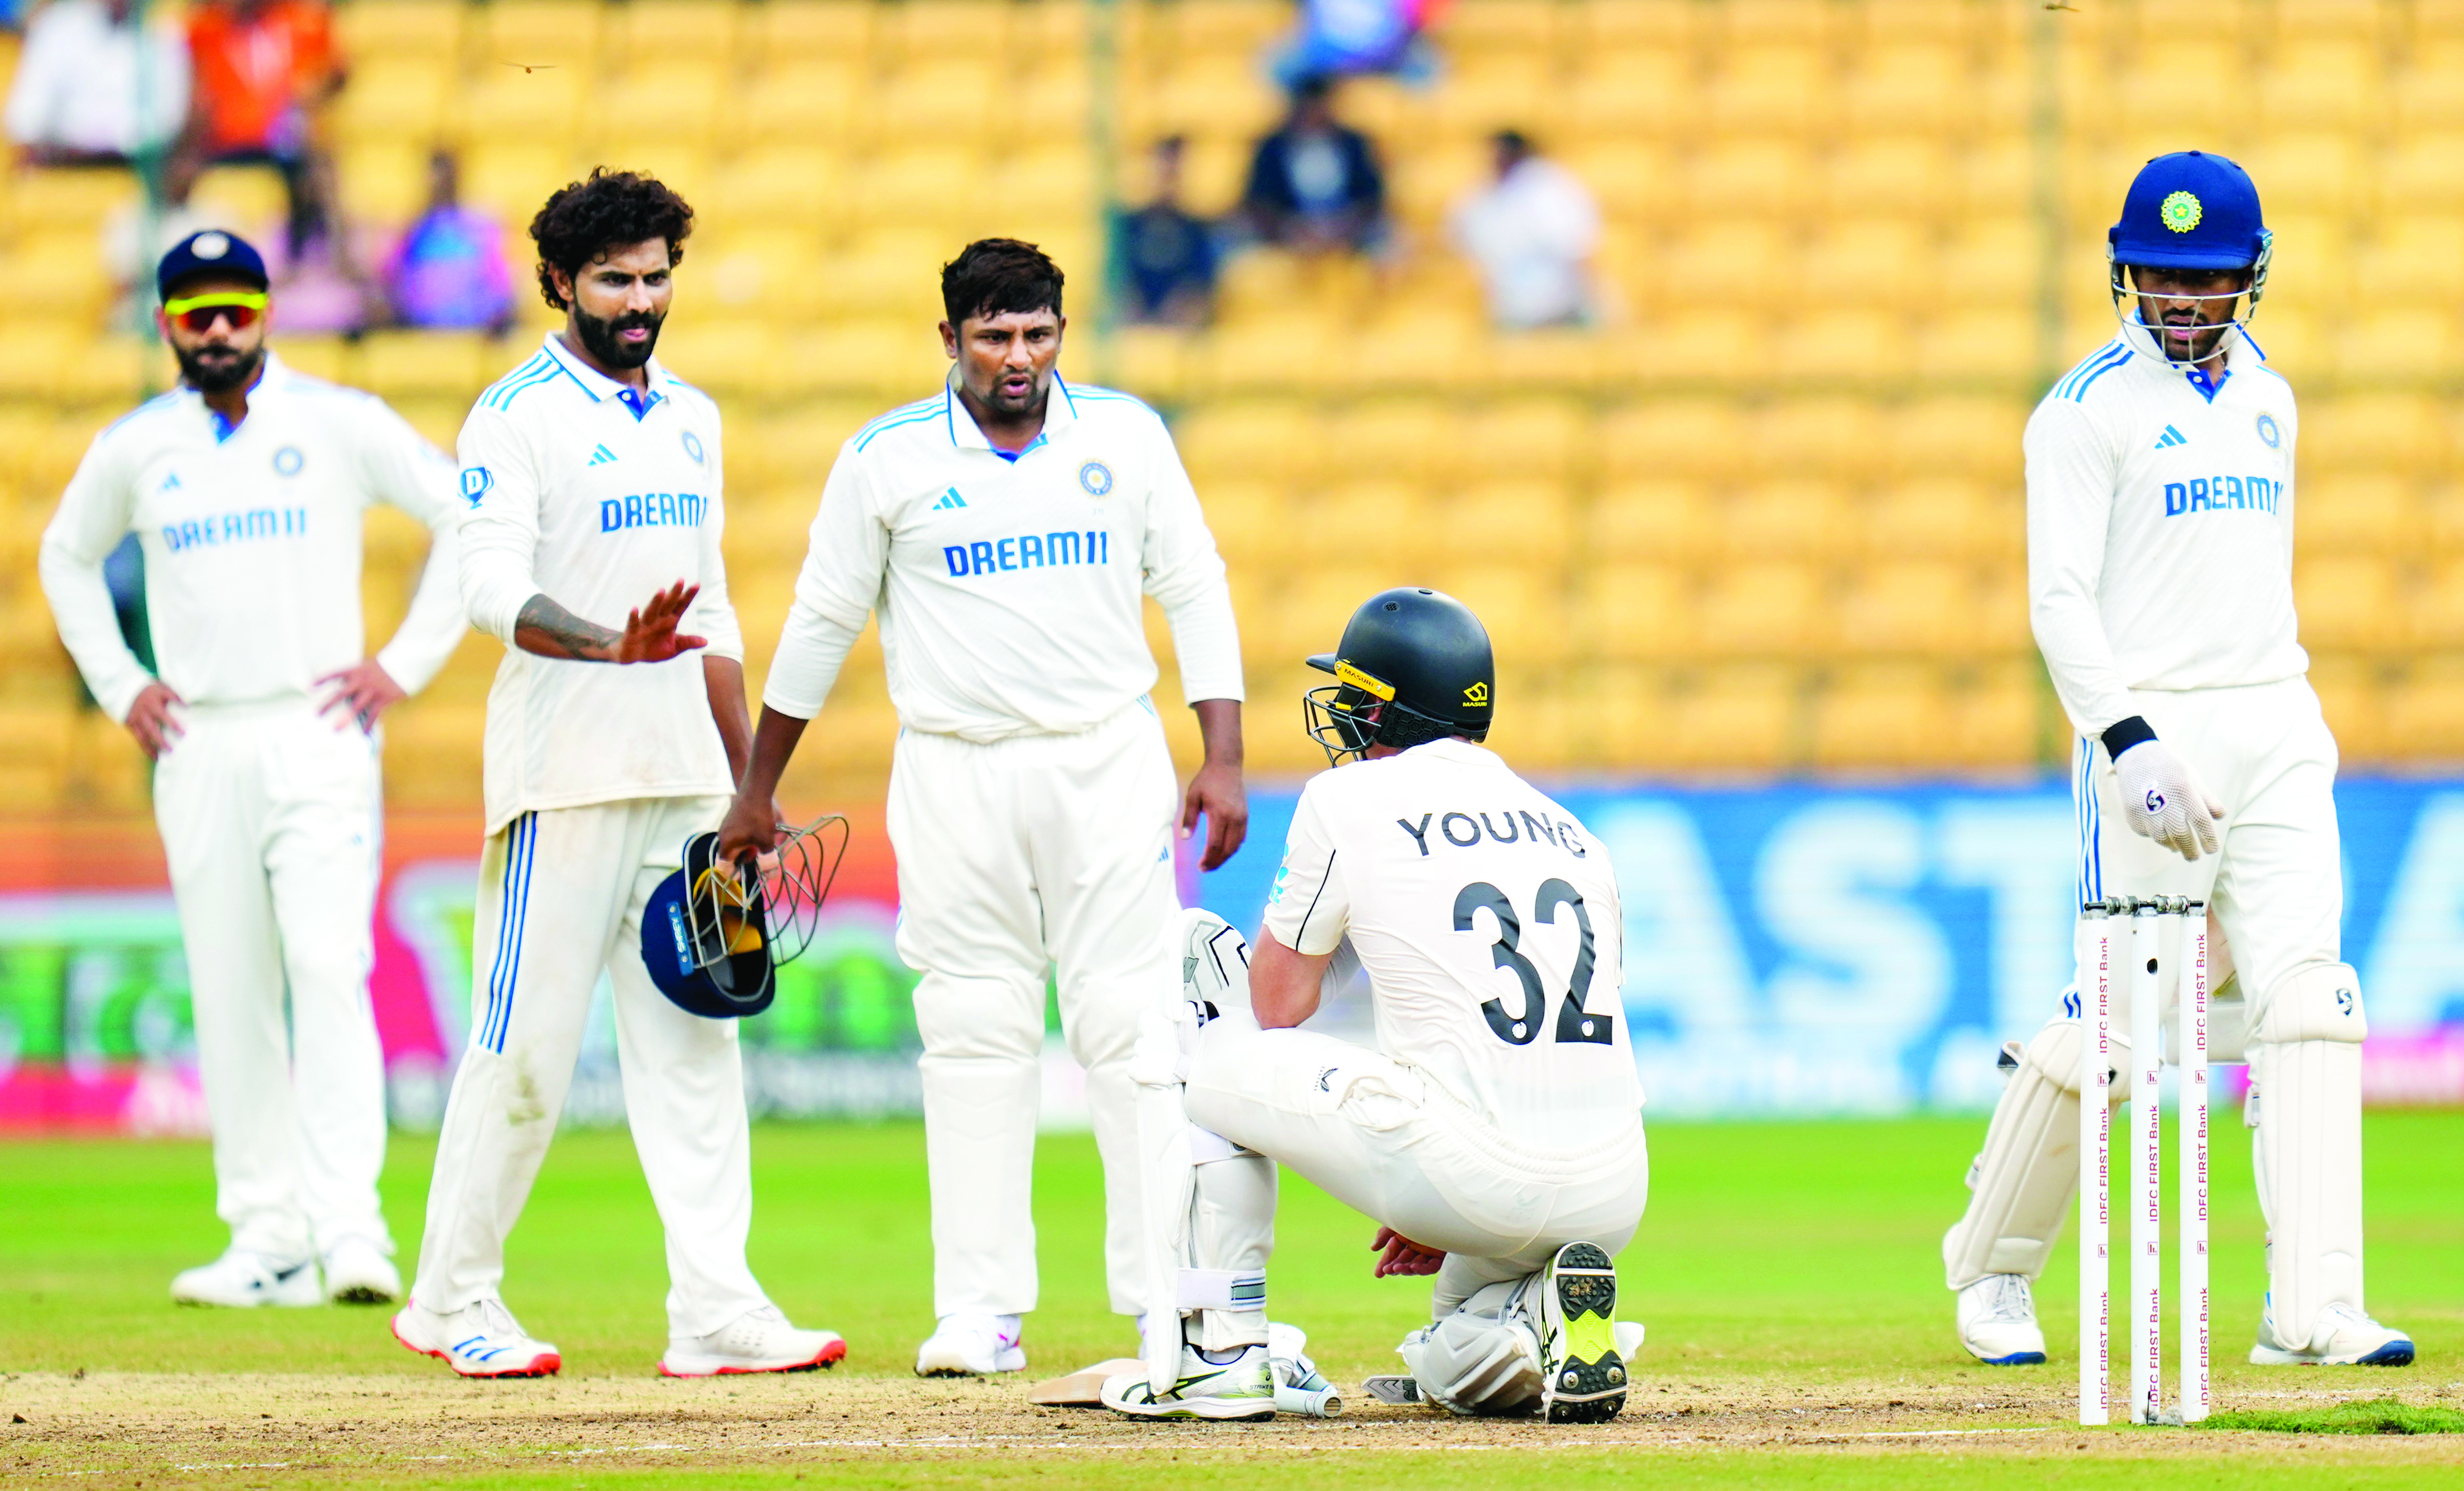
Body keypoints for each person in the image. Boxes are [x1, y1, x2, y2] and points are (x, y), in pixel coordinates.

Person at [715, 238, 1247, 1379]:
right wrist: (757, 792)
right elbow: (820, 624)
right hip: (954, 767)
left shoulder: (1126, 435)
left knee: (1132, 1026)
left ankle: (1165, 1300)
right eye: (996, 337)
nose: (1021, 358)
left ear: (1063, 331)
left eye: (1040, 334)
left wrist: (1224, 756)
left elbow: (1194, 585)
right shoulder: (886, 460)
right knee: (972, 1034)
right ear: (949, 339)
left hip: (1105, 756)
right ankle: (979, 1310)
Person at [1940, 151, 2413, 1369]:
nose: (2183, 301)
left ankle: (2309, 1307)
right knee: (2118, 1019)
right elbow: (2057, 601)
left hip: (2275, 718)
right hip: (2150, 731)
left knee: (2306, 997)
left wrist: (2268, 720)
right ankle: (1986, 1266)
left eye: (2206, 279)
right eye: (2160, 275)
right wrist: (2126, 739)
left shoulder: (2270, 397)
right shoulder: (2082, 409)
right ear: (2122, 270)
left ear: (2248, 275)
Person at [391, 169, 843, 1380]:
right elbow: (487, 583)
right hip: (565, 777)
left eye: (654, 278)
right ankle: (451, 1297)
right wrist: (606, 642)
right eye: (614, 281)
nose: (639, 301)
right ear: (559, 283)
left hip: (687, 782)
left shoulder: (691, 413)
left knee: (697, 1046)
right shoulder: (514, 414)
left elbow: (717, 603)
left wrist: (748, 780)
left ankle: (714, 1308)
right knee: (522, 1048)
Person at [38, 227, 469, 1309]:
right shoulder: (142, 446)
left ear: (266, 312)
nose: (220, 330)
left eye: (236, 309)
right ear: (168, 325)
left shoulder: (333, 421)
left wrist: (402, 666)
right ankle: (266, 1239)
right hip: (197, 739)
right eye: (198, 315)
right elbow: (65, 557)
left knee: (328, 968)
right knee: (231, 986)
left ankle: (352, 1232)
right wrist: (120, 683)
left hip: (318, 723)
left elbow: (464, 513)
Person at [1103, 587, 1647, 1422]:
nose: (1344, 711)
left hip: (1471, 1164)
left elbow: (1277, 1002)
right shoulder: (1573, 830)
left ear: (1386, 706)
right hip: (1612, 1185)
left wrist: (1444, 1179)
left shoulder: (1347, 800)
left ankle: (1226, 1347)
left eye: (1355, 693)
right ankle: (1540, 1317)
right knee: (1448, 1346)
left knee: (1205, 1039)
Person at [176, 0, 344, 255]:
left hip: (286, 150)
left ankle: (313, 252)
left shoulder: (302, 23)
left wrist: (308, 95)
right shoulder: (204, 31)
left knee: (319, 168)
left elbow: (333, 75)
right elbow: (195, 100)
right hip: (222, 149)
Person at [5, 0, 189, 167]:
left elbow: (170, 118)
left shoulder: (163, 32)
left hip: (136, 167)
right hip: (65, 167)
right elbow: (26, 116)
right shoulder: (59, 28)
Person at [1449, 129, 1600, 330]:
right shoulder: (1482, 196)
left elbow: (1578, 249)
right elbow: (1458, 236)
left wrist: (1595, 303)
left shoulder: (1552, 189)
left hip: (1561, 307)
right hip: (1510, 310)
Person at [1239, 77, 1387, 255]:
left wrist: (1346, 227)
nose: (1315, 115)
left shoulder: (1354, 144)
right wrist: (1288, 229)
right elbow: (1259, 199)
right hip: (1288, 234)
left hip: (1348, 232)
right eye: (1309, 109)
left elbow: (1371, 196)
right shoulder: (1272, 147)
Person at [387, 150, 514, 333]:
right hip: (420, 330)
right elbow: (392, 277)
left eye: (445, 177)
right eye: (434, 177)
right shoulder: (414, 229)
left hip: (476, 331)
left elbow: (502, 288)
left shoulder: (481, 225)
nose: (439, 184)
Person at [1116, 137, 1219, 327]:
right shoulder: (1127, 226)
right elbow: (1117, 282)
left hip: (1179, 330)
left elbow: (1201, 288)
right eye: (1163, 171)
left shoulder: (1199, 230)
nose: (1168, 180)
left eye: (1175, 172)